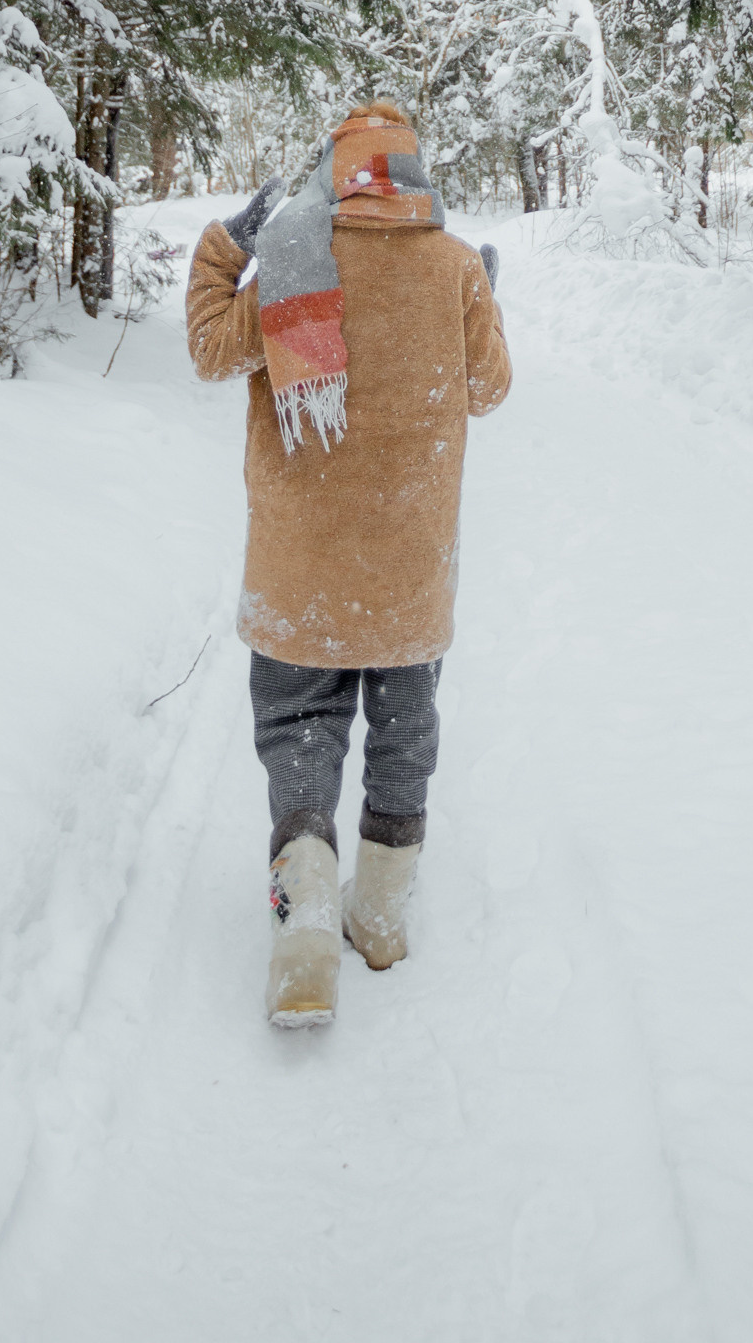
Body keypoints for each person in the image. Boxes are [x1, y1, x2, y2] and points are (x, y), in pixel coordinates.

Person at [186, 97, 511, 1027]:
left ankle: (305, 924)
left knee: (299, 728)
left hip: (300, 576)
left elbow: (211, 351)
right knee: (404, 734)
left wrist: (221, 249)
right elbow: (488, 388)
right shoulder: (453, 267)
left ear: (336, 177)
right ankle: (380, 916)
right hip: (409, 578)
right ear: (414, 176)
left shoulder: (293, 260)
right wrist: (485, 298)